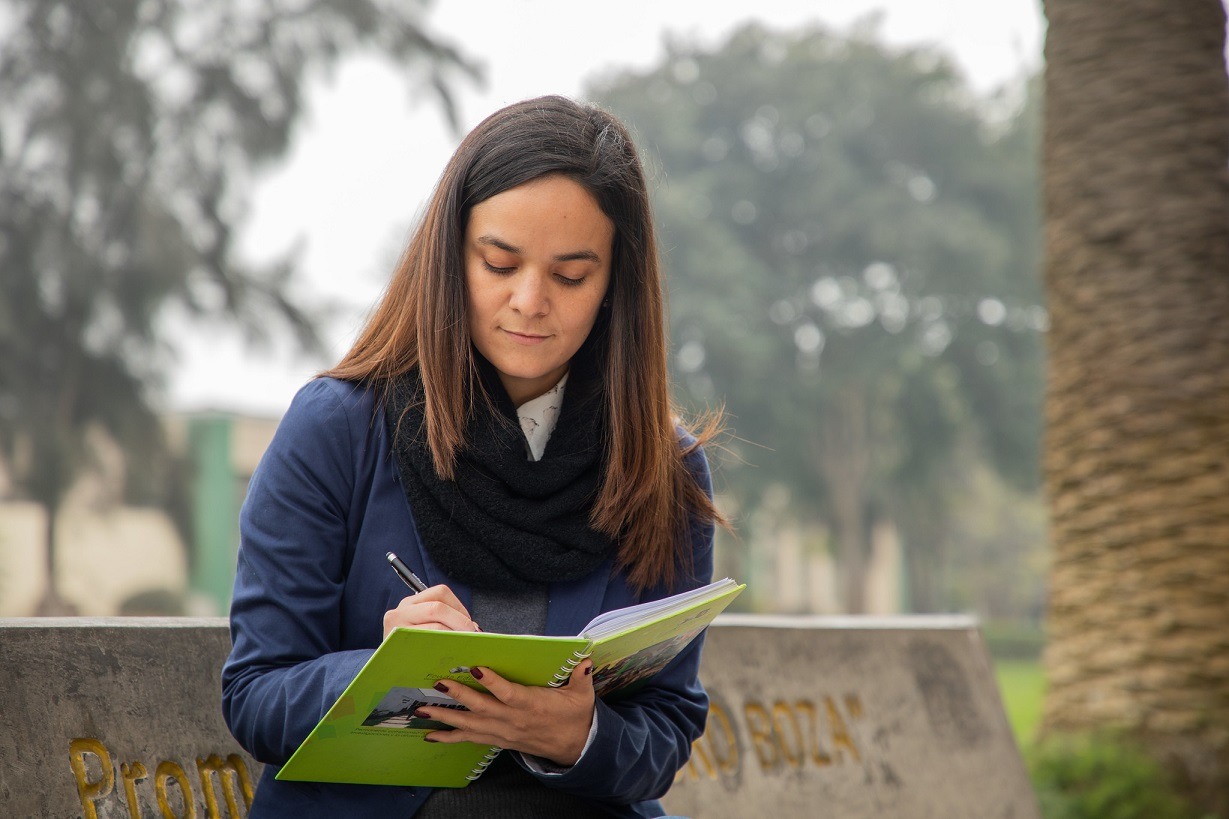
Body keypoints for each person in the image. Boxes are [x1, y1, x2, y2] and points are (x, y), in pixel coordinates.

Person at [221, 94, 724, 818]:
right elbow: (255, 692)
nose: (529, 300)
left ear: (616, 283)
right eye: (499, 262)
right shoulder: (337, 429)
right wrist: (381, 676)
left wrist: (580, 734)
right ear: (451, 257)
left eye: (570, 275)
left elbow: (667, 724)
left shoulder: (660, 469)